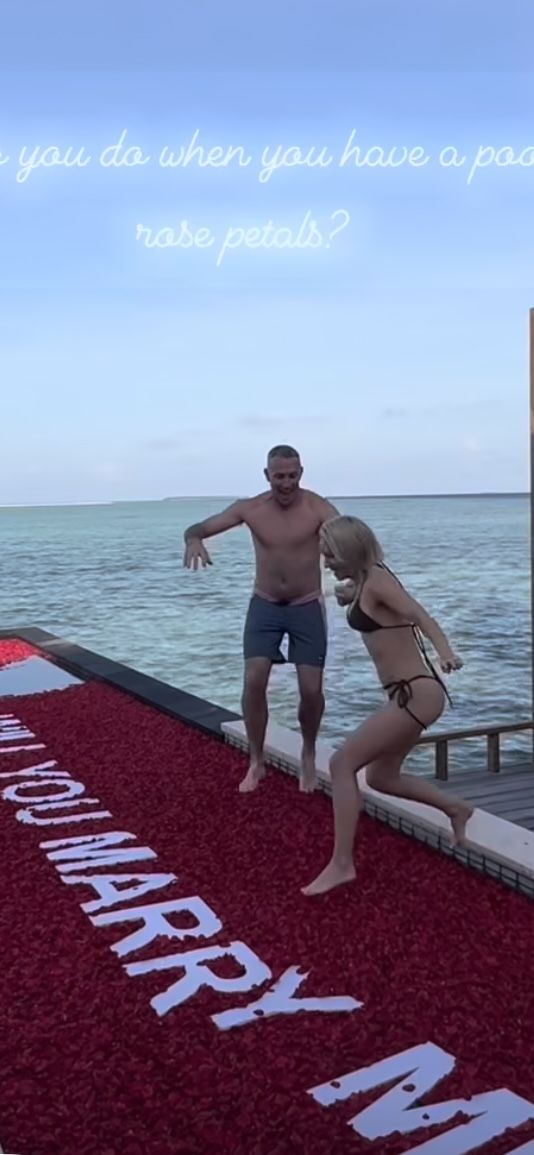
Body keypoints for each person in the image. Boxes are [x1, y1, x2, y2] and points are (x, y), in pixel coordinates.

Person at [302, 514, 473, 897]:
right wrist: (348, 594)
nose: (326, 563)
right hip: (406, 694)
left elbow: (419, 615)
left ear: (350, 550)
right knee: (381, 777)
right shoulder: (367, 580)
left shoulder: (378, 581)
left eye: (330, 555)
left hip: (417, 693)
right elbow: (370, 605)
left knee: (342, 764)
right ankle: (455, 808)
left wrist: (445, 652)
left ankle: (342, 864)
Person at [183, 445, 339, 793]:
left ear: (301, 473)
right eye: (279, 476)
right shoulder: (250, 509)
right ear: (267, 475)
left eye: (292, 475)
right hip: (265, 604)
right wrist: (193, 539)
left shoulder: (318, 507)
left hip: (306, 605)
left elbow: (349, 539)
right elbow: (200, 527)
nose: (286, 483)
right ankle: (256, 762)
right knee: (254, 680)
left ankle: (308, 752)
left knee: (311, 689)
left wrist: (355, 573)